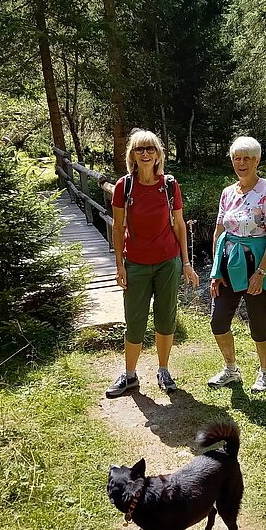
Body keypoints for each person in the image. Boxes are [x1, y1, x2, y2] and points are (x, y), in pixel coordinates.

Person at [106, 129, 199, 398]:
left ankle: (163, 370)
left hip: (167, 263)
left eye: (150, 149)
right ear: (132, 155)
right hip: (135, 263)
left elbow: (179, 225)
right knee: (134, 321)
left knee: (166, 317)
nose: (145, 154)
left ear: (158, 154)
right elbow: (118, 227)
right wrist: (119, 265)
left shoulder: (169, 185)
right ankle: (130, 376)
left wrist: (186, 262)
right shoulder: (125, 186)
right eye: (139, 149)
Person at [208, 135, 266, 392]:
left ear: (256, 160)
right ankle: (230, 369)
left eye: (247, 158)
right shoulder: (227, 193)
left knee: (259, 323)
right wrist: (215, 270)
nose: (241, 163)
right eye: (237, 158)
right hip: (228, 263)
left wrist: (260, 272)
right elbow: (218, 231)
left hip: (255, 264)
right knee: (218, 322)